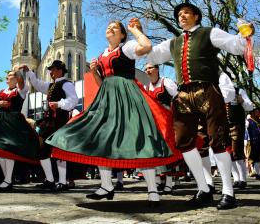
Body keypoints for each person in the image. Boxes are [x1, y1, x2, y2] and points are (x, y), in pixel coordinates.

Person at [46, 19, 182, 207]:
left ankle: (152, 190)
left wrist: (136, 30)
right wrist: (94, 72)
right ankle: (106, 185)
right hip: (108, 99)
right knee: (103, 139)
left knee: (141, 139)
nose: (110, 28)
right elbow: (103, 83)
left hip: (128, 98)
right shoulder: (102, 54)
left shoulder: (126, 48)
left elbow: (147, 46)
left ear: (122, 34)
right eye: (108, 26)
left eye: (115, 27)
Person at [147, 2, 252, 209]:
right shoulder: (173, 42)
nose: (181, 16)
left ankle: (229, 193)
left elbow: (236, 46)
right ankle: (203, 188)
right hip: (184, 94)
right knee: (183, 141)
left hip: (208, 90)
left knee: (218, 140)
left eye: (186, 12)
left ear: (196, 16)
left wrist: (245, 33)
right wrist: (138, 34)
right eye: (179, 14)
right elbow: (151, 54)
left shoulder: (209, 33)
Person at [21, 60, 78, 192]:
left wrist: (59, 104)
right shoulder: (52, 85)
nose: (50, 72)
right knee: (42, 150)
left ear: (59, 70)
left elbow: (73, 100)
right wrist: (29, 71)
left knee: (59, 151)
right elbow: (37, 84)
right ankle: (50, 180)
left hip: (60, 121)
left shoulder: (67, 84)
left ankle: (62, 182)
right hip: (48, 122)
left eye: (52, 69)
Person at [144, 63, 178, 195]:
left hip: (168, 122)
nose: (148, 70)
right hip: (154, 124)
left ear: (157, 69)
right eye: (146, 68)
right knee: (154, 152)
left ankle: (169, 183)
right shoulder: (147, 87)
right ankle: (157, 181)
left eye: (150, 67)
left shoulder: (166, 82)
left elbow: (178, 98)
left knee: (168, 151)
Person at [227, 82, 254, 189]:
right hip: (223, 126)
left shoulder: (239, 91)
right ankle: (236, 178)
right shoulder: (218, 92)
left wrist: (242, 101)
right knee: (228, 152)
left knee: (237, 150)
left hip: (237, 125)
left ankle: (243, 179)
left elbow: (250, 106)